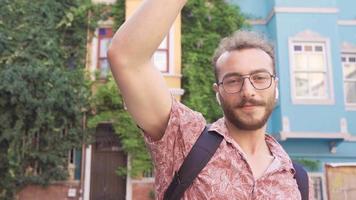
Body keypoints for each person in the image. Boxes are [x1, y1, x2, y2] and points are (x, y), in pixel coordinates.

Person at [107, 0, 314, 199]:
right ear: (218, 92)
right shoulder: (184, 140)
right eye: (233, 81)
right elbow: (127, 57)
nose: (248, 91)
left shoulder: (298, 180)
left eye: (259, 78)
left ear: (275, 86)